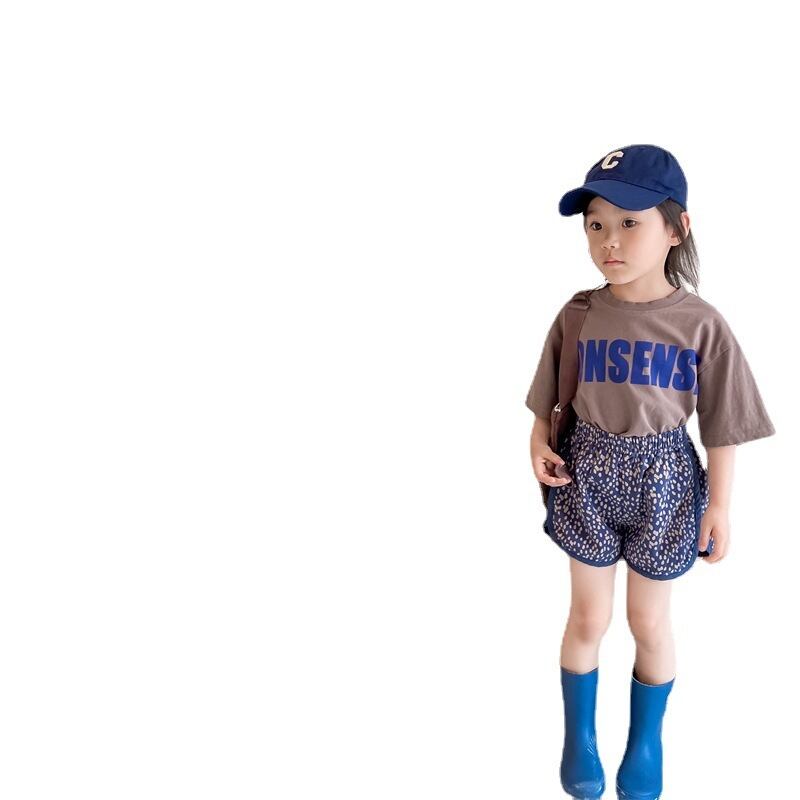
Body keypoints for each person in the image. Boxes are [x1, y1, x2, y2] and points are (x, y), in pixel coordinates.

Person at [524, 144, 775, 800]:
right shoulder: (578, 314)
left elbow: (724, 425)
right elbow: (548, 401)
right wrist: (538, 444)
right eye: (596, 224)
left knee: (649, 622)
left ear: (676, 228)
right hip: (586, 476)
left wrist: (719, 507)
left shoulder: (701, 324)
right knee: (587, 616)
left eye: (630, 222)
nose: (609, 240)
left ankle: (645, 741)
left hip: (665, 483)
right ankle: (579, 739)